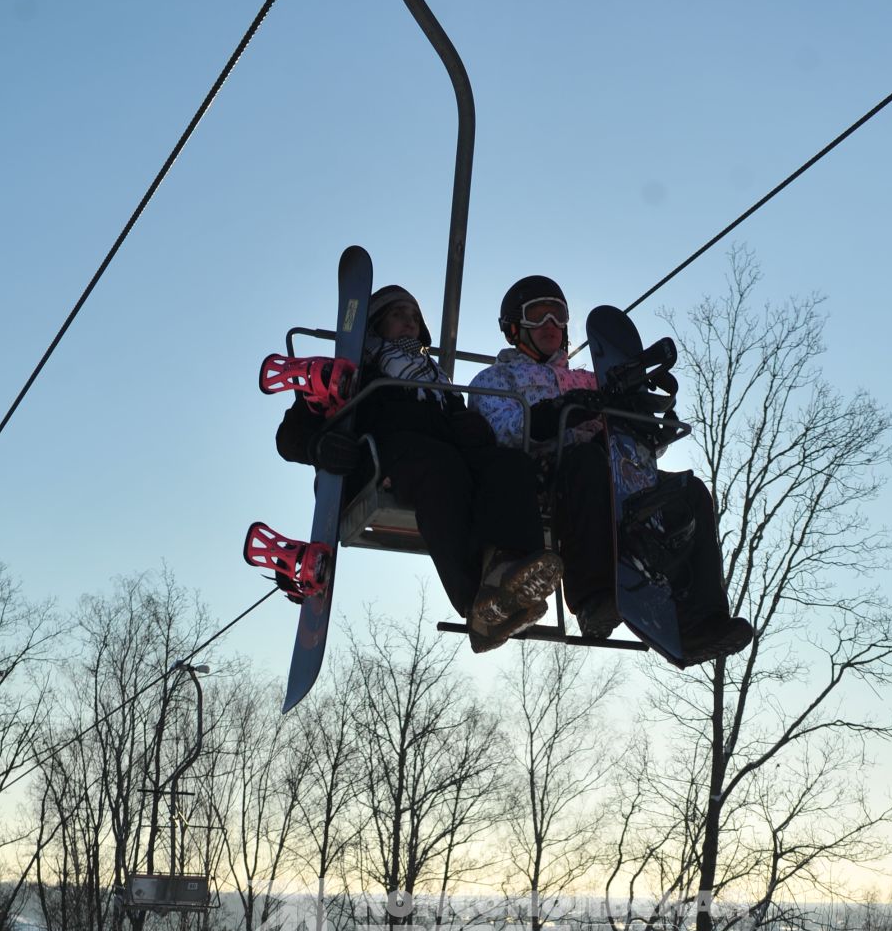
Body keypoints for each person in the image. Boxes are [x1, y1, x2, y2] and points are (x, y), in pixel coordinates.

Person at [468, 276, 754, 660]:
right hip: (546, 476)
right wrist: (561, 414)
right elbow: (504, 431)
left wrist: (648, 423)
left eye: (558, 315)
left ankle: (702, 617)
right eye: (537, 315)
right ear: (515, 328)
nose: (550, 323)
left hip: (615, 474)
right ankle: (594, 597)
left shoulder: (591, 379)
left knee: (691, 493)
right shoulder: (495, 379)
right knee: (585, 462)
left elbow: (634, 444)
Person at [275, 285, 561, 650]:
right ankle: (475, 602)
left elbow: (470, 435)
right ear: (376, 325)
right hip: (384, 458)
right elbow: (290, 435)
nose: (409, 323)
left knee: (509, 465)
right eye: (398, 315)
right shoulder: (353, 375)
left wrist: (477, 433)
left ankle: (510, 572)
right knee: (441, 470)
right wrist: (320, 446)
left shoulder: (436, 380)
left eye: (414, 317)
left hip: (444, 455)